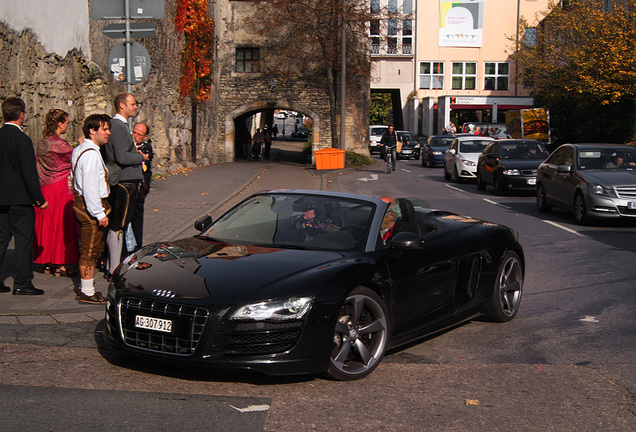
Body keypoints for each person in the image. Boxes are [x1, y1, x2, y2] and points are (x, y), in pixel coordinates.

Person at [0, 97, 49, 295]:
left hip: (1, 199)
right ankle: (22, 282)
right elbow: (29, 172)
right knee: (23, 241)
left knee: (1, 239)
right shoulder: (23, 140)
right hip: (20, 199)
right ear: (21, 115)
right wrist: (38, 199)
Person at [101, 93, 149, 275]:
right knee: (119, 225)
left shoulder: (121, 126)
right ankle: (113, 267)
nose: (135, 107)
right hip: (125, 182)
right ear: (122, 105)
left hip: (128, 181)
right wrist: (140, 157)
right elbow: (121, 156)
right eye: (133, 104)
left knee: (120, 225)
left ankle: (113, 264)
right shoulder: (119, 127)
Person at [33, 109, 79, 277]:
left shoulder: (42, 143)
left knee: (47, 223)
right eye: (66, 122)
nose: (68, 125)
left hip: (45, 186)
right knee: (61, 224)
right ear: (60, 124)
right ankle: (60, 262)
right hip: (60, 187)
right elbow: (74, 158)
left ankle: (47, 261)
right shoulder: (61, 145)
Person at [71, 114, 112, 304]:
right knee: (90, 248)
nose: (108, 133)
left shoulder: (85, 149)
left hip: (86, 203)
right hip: (89, 206)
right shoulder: (90, 154)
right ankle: (86, 291)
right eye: (104, 129)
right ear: (92, 130)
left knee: (93, 246)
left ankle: (87, 288)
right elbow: (89, 187)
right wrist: (99, 213)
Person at [130, 122, 154, 252]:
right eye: (134, 132)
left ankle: (137, 246)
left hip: (140, 188)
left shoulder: (146, 148)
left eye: (139, 134)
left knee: (137, 217)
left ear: (145, 137)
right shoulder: (128, 144)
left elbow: (147, 158)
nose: (135, 136)